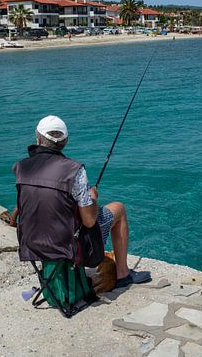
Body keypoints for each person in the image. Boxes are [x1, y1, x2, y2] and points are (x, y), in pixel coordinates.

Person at [12, 115, 151, 288]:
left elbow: (21, 208)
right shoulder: (75, 170)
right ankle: (122, 274)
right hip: (66, 245)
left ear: (37, 139)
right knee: (119, 209)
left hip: (31, 242)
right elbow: (89, 220)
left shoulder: (21, 167)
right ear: (65, 141)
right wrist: (92, 196)